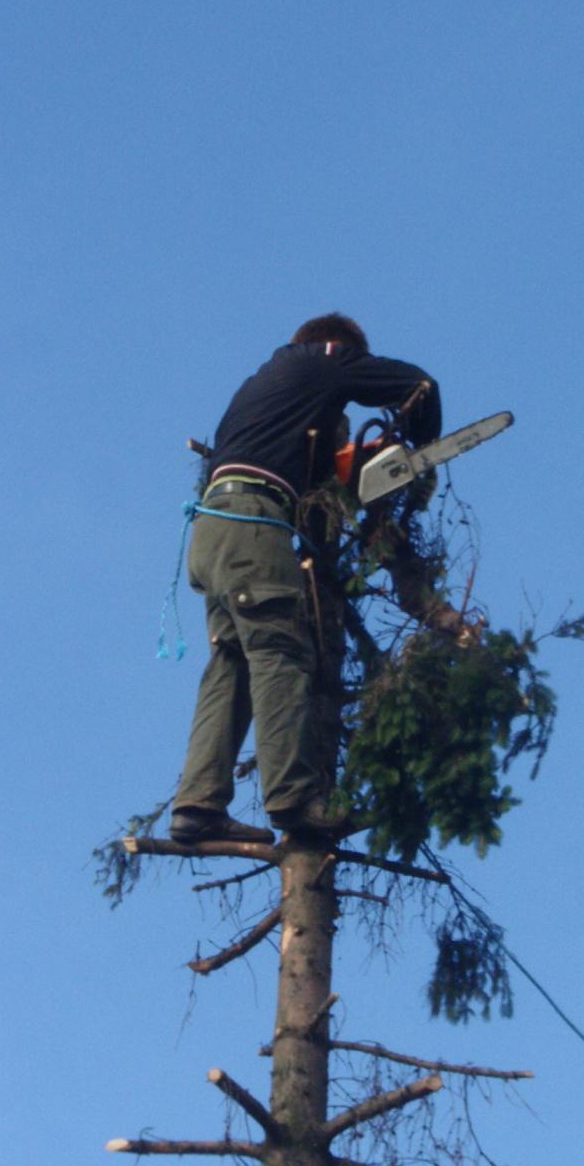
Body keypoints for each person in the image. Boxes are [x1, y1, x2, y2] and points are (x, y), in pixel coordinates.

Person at [170, 314, 442, 846]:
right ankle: (294, 800)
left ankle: (198, 807)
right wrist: (418, 446)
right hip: (253, 524)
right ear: (337, 347)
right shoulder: (319, 361)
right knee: (280, 652)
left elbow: (316, 479)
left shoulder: (263, 393)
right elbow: (418, 384)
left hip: (214, 530)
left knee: (233, 664)